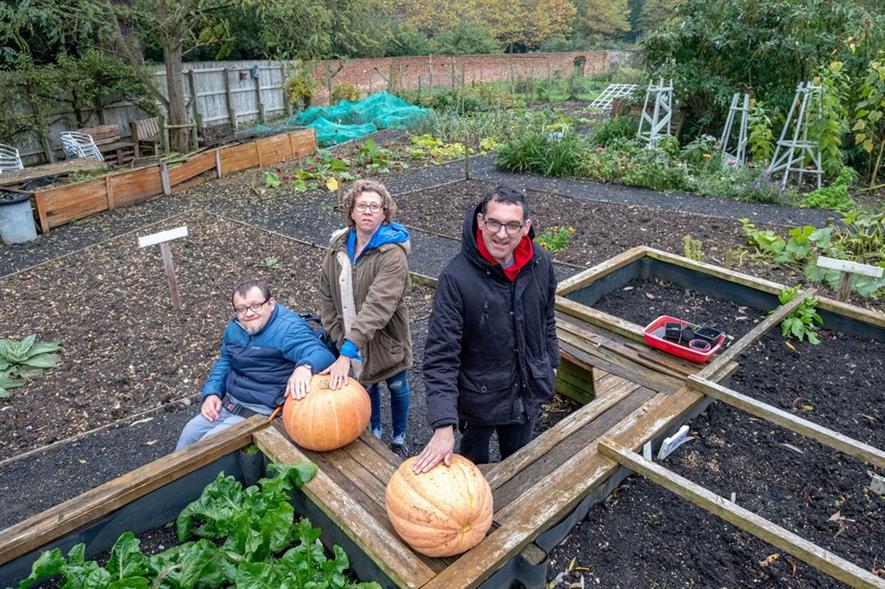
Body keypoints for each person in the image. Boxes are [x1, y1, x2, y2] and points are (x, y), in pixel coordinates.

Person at [413, 184, 559, 473]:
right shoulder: (456, 278)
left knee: (519, 469)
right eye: (494, 222)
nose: (501, 234)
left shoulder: (540, 263)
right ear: (481, 221)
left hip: (525, 392)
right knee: (472, 471)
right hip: (478, 399)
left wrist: (551, 362)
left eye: (512, 225)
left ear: (525, 226)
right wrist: (443, 425)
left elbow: (547, 319)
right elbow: (441, 358)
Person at [176, 279, 336, 450]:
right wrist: (212, 393)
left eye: (256, 305)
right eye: (242, 309)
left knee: (206, 448)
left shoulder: (288, 330)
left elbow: (321, 354)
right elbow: (224, 361)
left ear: (271, 304)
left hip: (263, 410)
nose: (249, 313)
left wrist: (305, 367)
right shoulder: (235, 329)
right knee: (189, 434)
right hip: (230, 401)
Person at [319, 179, 413, 458]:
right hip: (350, 339)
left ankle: (399, 437)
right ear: (351, 211)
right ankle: (375, 434)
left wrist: (347, 350)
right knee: (365, 386)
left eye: (375, 206)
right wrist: (339, 336)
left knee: (397, 385)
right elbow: (327, 297)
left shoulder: (393, 254)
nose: (368, 211)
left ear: (385, 213)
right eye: (362, 206)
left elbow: (377, 306)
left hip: (385, 338)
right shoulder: (337, 248)